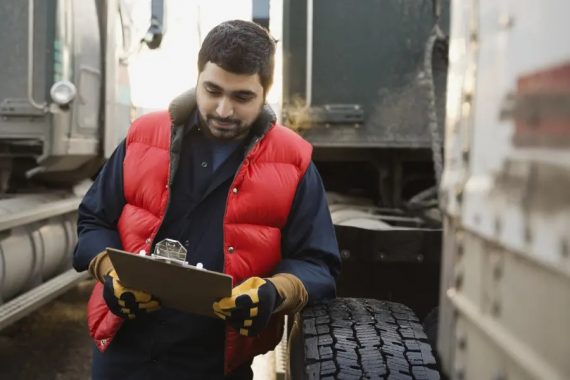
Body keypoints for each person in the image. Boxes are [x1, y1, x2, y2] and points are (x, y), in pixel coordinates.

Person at [73, 19, 340, 379]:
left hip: (217, 363)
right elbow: (93, 222)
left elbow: (319, 264)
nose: (223, 110)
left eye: (242, 97)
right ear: (197, 77)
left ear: (266, 91)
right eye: (212, 90)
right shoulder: (142, 137)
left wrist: (273, 293)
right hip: (121, 353)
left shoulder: (294, 162)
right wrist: (111, 276)